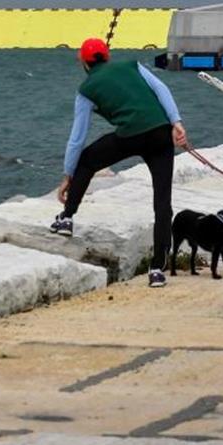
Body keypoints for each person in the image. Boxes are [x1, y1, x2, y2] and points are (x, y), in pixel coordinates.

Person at [50, 38, 188, 288]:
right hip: (161, 133)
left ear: (83, 62)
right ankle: (157, 269)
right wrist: (176, 122)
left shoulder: (86, 89)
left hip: (130, 135)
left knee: (87, 160)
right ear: (108, 56)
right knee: (162, 201)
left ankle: (67, 217)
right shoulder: (132, 65)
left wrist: (68, 175)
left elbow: (77, 137)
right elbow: (161, 89)